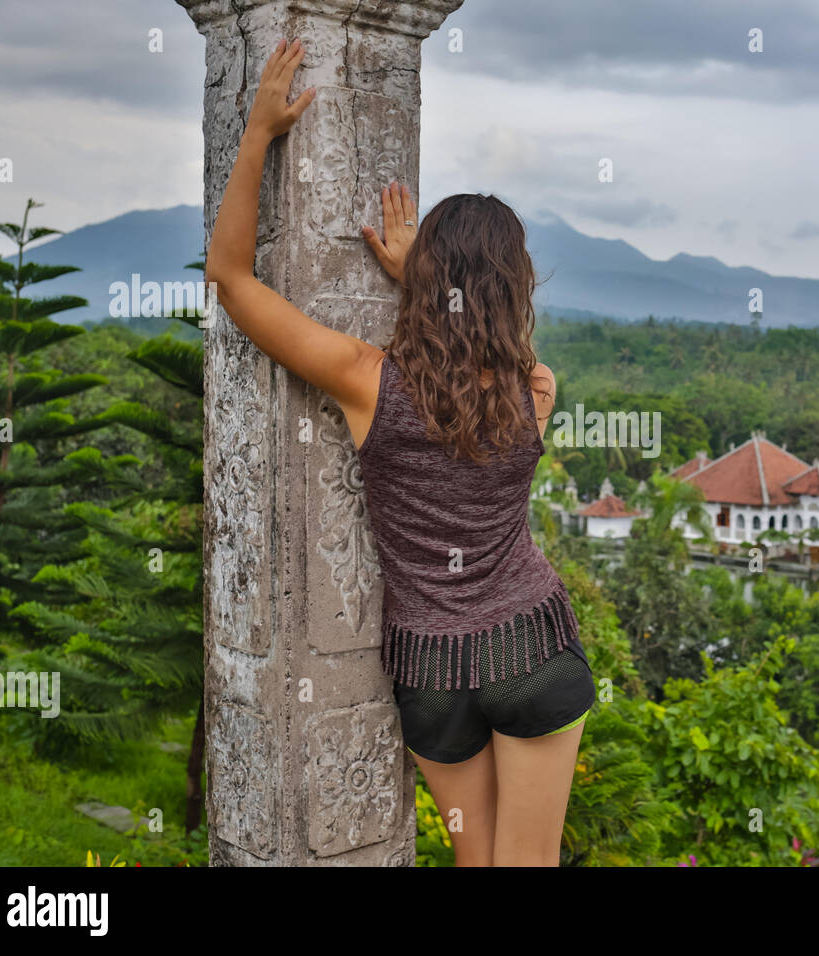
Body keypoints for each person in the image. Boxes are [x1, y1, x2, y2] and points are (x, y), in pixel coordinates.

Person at [204, 39, 593, 867]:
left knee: (475, 858)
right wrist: (425, 274)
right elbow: (479, 343)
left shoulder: (364, 382)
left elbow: (231, 279)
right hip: (532, 650)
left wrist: (257, 136)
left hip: (433, 673)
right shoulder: (538, 390)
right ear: (517, 288)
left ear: (429, 282)